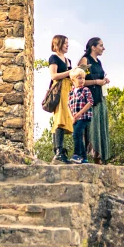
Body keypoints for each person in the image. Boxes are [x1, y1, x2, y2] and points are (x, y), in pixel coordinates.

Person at [79, 37, 110, 164]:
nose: (103, 48)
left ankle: (99, 157)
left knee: (100, 126)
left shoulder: (99, 62)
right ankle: (87, 155)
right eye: (101, 45)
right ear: (93, 47)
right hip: (89, 99)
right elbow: (78, 80)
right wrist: (96, 81)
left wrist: (104, 81)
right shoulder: (85, 60)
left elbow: (100, 77)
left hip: (100, 97)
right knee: (91, 127)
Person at [48, 34, 73, 164]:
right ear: (58, 44)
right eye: (65, 43)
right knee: (59, 119)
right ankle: (58, 151)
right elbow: (54, 76)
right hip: (58, 91)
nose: (67, 45)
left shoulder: (68, 60)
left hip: (67, 90)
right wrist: (69, 72)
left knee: (64, 119)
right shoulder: (54, 58)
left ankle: (59, 150)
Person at [68, 67, 93, 164]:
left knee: (76, 134)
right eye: (79, 78)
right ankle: (84, 157)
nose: (82, 80)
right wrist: (72, 118)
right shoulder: (71, 93)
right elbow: (68, 105)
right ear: (73, 80)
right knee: (78, 135)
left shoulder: (85, 90)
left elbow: (90, 102)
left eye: (83, 78)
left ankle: (77, 154)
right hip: (75, 118)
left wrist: (79, 114)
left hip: (84, 116)